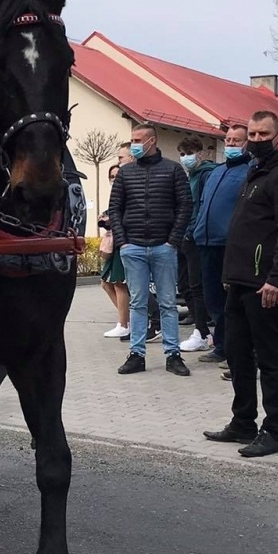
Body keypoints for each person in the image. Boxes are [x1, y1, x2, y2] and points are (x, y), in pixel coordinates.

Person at [203, 110, 278, 457]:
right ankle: (242, 422)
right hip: (240, 281)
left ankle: (273, 431)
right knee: (237, 355)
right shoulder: (255, 172)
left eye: (264, 134)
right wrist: (229, 276)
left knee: (271, 359)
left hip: (266, 285)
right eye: (252, 134)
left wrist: (277, 279)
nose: (257, 140)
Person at [108, 123, 192, 376]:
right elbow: (115, 208)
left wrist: (172, 240)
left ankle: (173, 354)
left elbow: (185, 206)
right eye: (132, 140)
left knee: (167, 303)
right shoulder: (126, 173)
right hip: (132, 247)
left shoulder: (173, 170)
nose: (134, 144)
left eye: (137, 140)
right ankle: (137, 354)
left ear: (152, 140)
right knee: (137, 303)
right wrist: (123, 242)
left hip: (163, 247)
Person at [191, 124, 251, 366]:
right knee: (213, 299)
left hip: (229, 245)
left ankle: (236, 349)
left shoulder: (249, 171)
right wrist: (195, 229)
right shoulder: (216, 172)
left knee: (232, 302)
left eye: (237, 140)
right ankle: (221, 346)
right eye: (228, 140)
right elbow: (202, 204)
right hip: (206, 243)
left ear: (247, 144)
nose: (231, 144)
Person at [178, 138, 218, 352]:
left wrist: (192, 232)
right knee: (185, 285)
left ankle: (202, 332)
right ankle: (203, 331)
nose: (185, 158)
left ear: (200, 154)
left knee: (197, 286)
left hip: (196, 238)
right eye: (182, 154)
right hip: (185, 237)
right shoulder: (190, 176)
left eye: (189, 153)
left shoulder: (206, 175)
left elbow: (202, 208)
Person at [97, 162, 129, 339]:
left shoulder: (128, 193)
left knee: (118, 283)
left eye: (117, 176)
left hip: (123, 243)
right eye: (111, 177)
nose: (114, 180)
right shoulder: (115, 195)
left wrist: (112, 220)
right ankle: (127, 320)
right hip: (115, 243)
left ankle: (124, 324)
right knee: (106, 282)